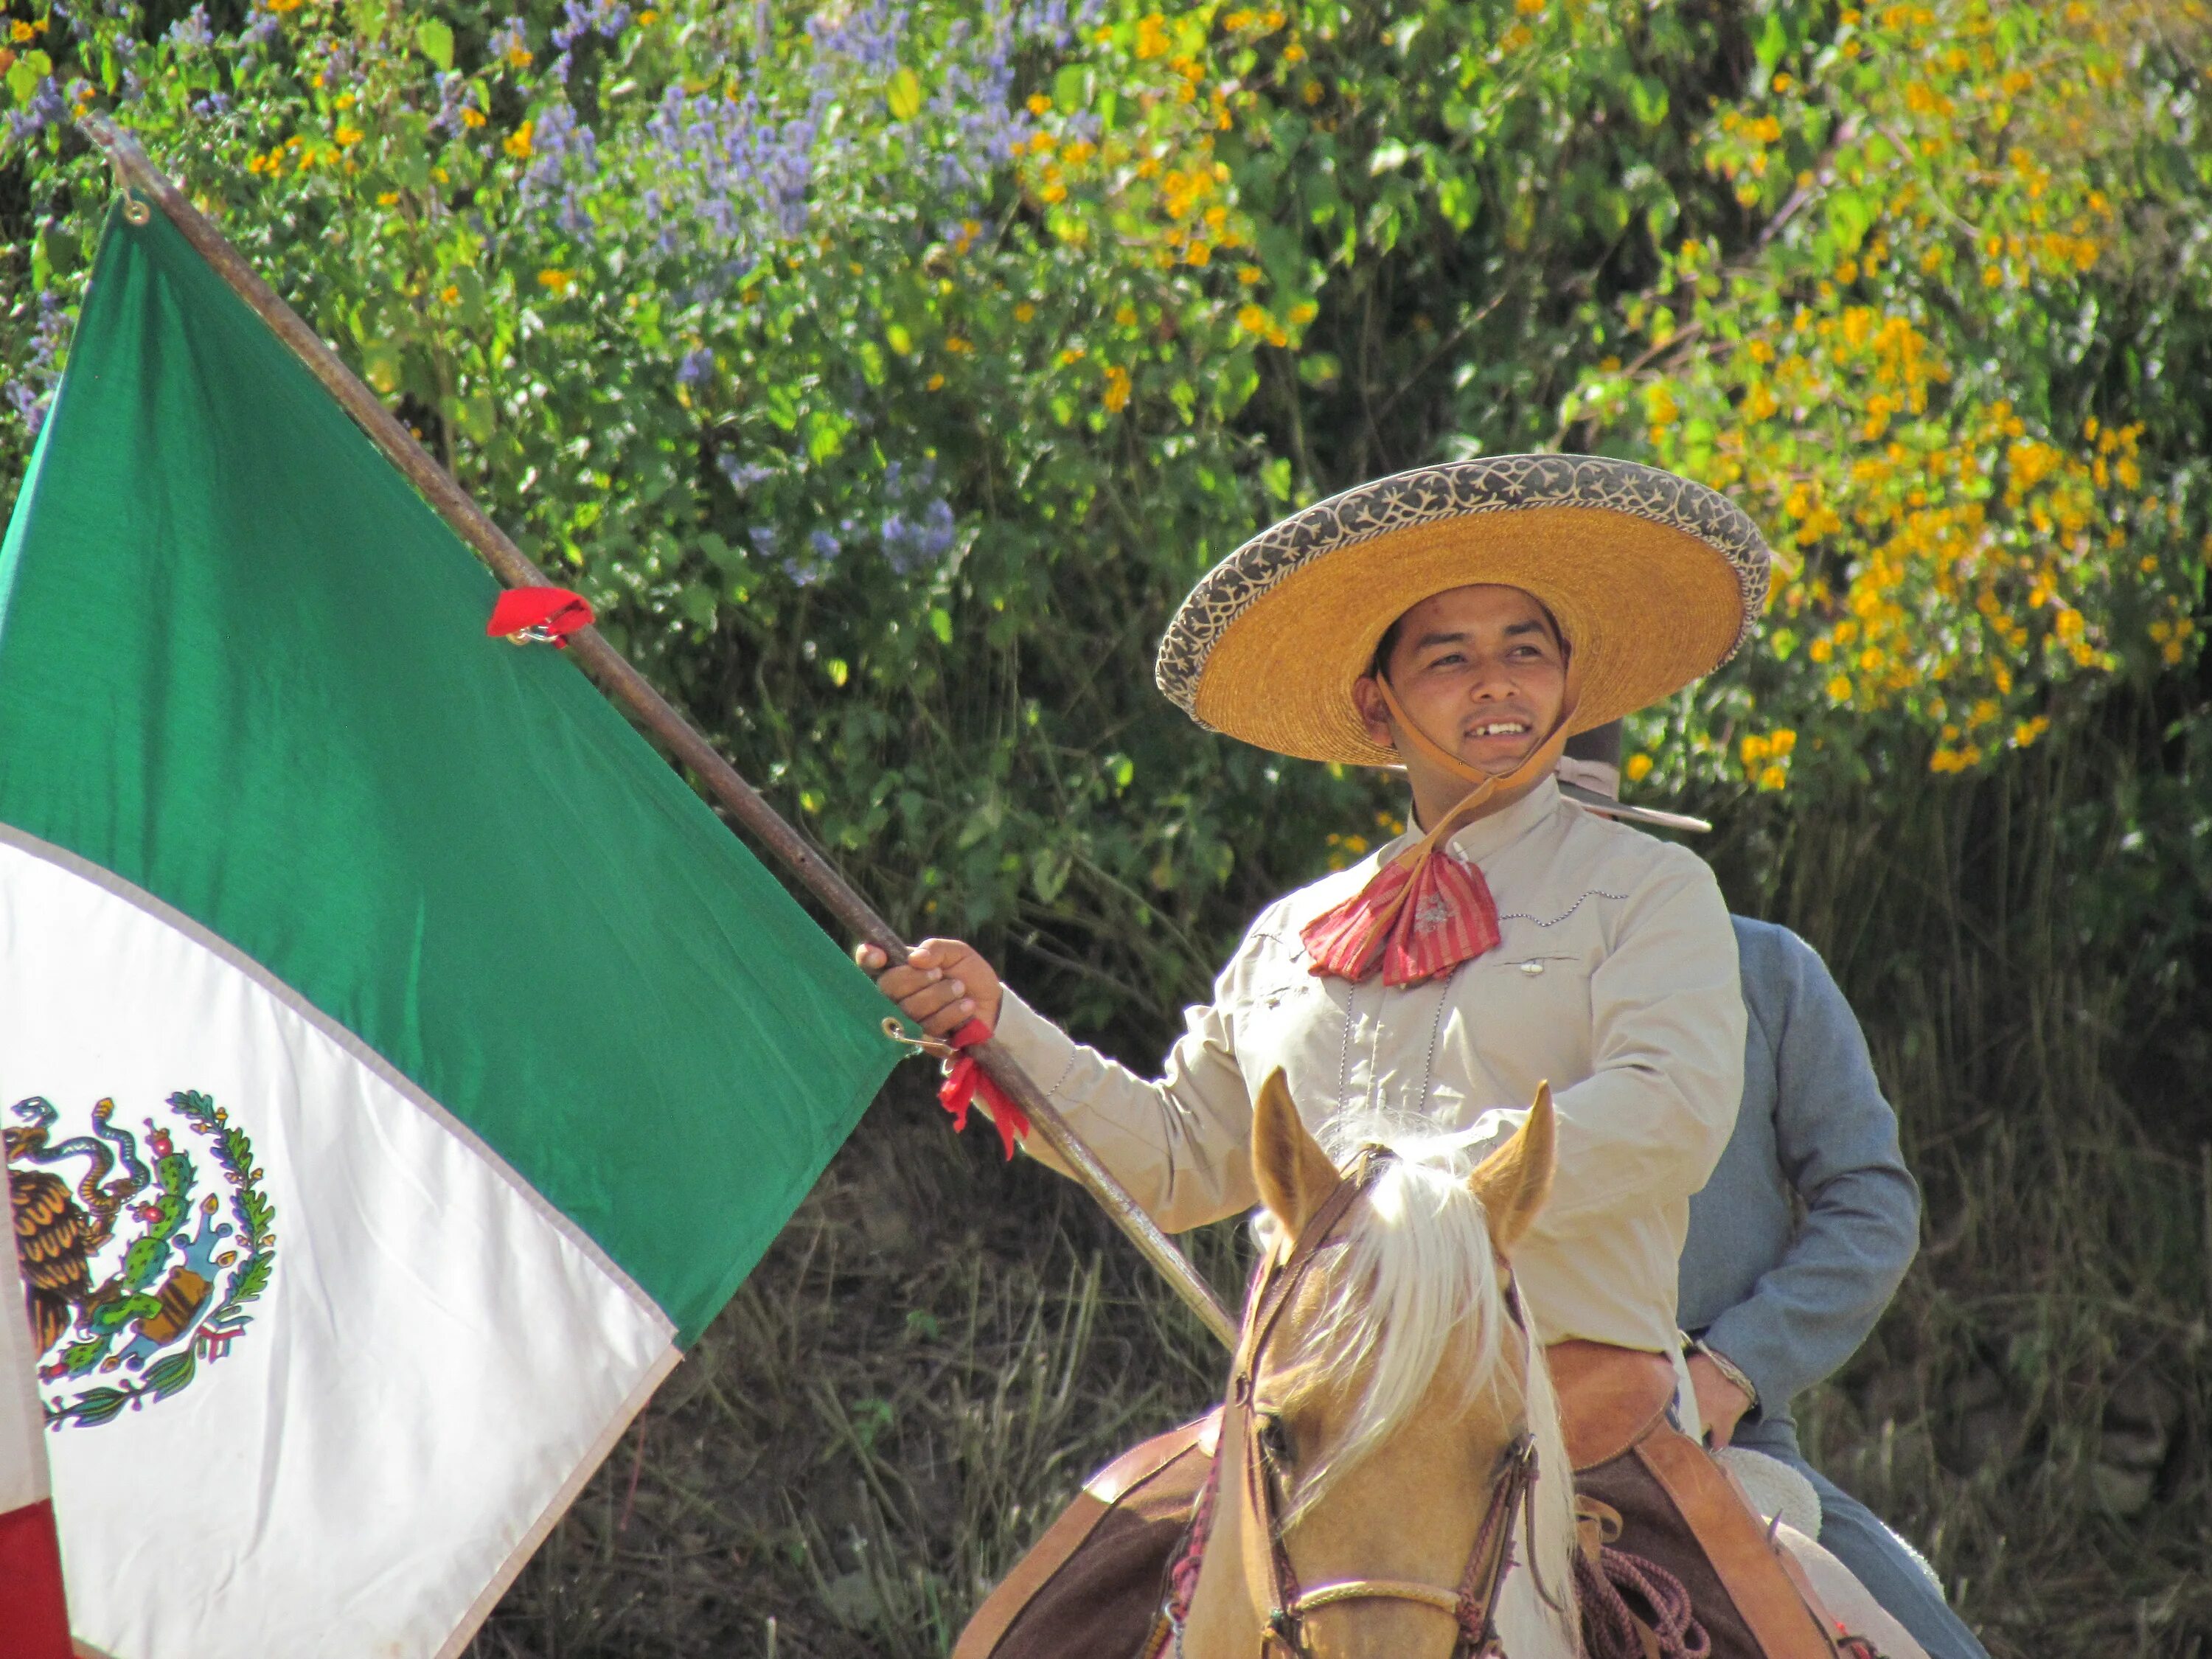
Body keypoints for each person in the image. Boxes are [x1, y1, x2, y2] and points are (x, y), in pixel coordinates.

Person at [869, 454, 1850, 1657]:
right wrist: (997, 1024)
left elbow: (1671, 1111)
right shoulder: (1291, 934)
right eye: (1448, 655)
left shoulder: (1651, 892)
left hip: (1573, 1414)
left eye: (1526, 648)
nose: (1496, 681)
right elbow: (1180, 1161)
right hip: (1309, 1420)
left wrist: (1410, 1206)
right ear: (1377, 702)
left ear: (1569, 680)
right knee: (1015, 1635)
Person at [1560, 720, 1990, 1659]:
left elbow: (1869, 1208)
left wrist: (1732, 1371)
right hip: (1481, 1439)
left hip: (1725, 1443)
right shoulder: (1408, 990)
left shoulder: (1764, 968)